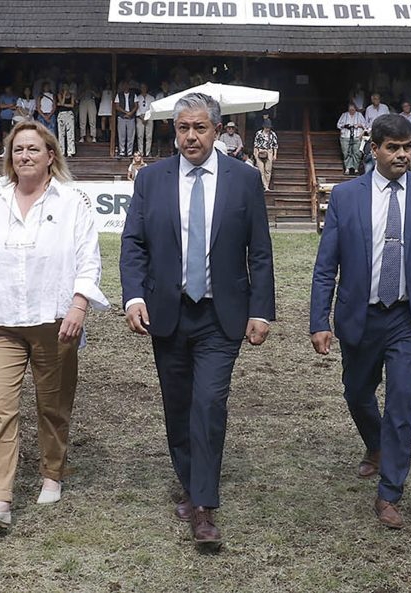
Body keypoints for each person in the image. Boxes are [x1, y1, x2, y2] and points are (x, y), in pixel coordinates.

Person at [120, 92, 275, 547]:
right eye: (183, 128)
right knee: (178, 406)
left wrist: (261, 309)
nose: (191, 136)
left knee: (208, 404)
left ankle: (204, 508)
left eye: (200, 128)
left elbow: (260, 252)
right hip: (166, 315)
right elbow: (134, 245)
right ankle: (191, 482)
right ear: (175, 131)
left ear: (218, 130)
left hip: (221, 316)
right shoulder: (151, 179)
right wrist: (133, 298)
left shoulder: (244, 179)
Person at [309, 114, 411, 529]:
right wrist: (318, 320)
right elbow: (326, 266)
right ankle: (376, 445)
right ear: (374, 148)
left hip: (409, 319)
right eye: (392, 148)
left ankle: (390, 492)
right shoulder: (346, 196)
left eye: (407, 147)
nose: (401, 155)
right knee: (356, 393)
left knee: (401, 403)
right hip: (360, 317)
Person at [0, 121, 109, 530]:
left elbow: (87, 259)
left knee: (52, 404)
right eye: (18, 150)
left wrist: (79, 305)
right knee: (0, 410)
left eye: (33, 150)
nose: (25, 156)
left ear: (50, 156)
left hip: (54, 321)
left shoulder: (71, 202)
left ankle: (51, 472)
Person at [337, 103, 367, 175]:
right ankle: (347, 168)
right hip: (345, 136)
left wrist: (359, 126)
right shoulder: (344, 115)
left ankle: (356, 168)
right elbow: (338, 125)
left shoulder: (359, 115)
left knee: (357, 153)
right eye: (350, 109)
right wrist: (345, 126)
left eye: (353, 109)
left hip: (357, 136)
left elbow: (365, 126)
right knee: (346, 152)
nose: (351, 111)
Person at [113, 81, 138, 158]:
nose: (126, 87)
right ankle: (122, 152)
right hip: (121, 117)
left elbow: (136, 105)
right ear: (122, 87)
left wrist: (131, 113)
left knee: (131, 135)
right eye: (124, 85)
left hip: (131, 117)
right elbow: (117, 106)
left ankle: (129, 152)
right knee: (122, 135)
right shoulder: (119, 95)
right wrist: (126, 112)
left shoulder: (133, 95)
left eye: (127, 85)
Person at [253, 117, 278, 191]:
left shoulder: (273, 134)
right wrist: (255, 153)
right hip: (260, 151)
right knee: (261, 170)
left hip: (269, 151)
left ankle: (267, 186)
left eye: (269, 127)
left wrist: (275, 155)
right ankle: (264, 185)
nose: (268, 129)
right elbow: (255, 143)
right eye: (267, 127)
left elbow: (275, 145)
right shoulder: (259, 133)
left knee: (268, 170)